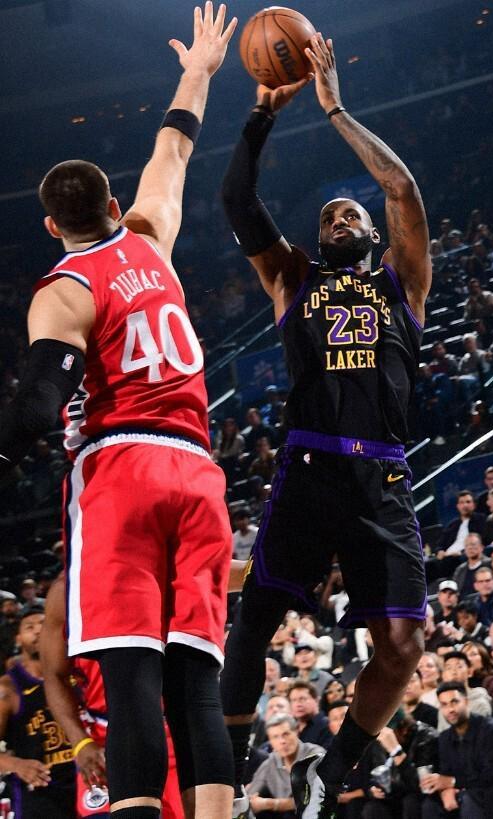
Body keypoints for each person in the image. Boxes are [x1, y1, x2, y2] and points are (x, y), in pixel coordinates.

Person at [0, 6, 239, 818]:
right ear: (111, 200)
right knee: (195, 681)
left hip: (121, 468)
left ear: (51, 226)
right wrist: (198, 71)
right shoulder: (151, 234)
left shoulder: (64, 290)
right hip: (198, 471)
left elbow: (37, 406)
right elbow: (174, 147)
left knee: (132, 673)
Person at [220, 31, 432, 819]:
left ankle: (329, 771)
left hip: (380, 474)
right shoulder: (293, 276)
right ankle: (224, 774)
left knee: (403, 647)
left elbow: (401, 187)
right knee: (255, 616)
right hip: (309, 467)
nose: (339, 216)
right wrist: (259, 116)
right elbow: (237, 202)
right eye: (328, 215)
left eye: (351, 213)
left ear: (373, 236)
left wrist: (334, 108)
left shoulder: (402, 281)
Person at [40, 574, 184, 819]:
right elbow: (53, 675)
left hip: (174, 730)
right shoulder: (66, 589)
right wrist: (80, 742)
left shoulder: (171, 568)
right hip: (104, 738)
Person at [0, 604, 76, 818]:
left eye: (43, 624)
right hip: (40, 792)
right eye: (29, 626)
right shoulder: (8, 688)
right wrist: (16, 764)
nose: (37, 630)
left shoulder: (78, 672)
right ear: (18, 639)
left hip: (87, 782)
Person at [420, 682, 493, 819]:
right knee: (430, 805)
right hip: (462, 793)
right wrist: (446, 791)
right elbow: (446, 773)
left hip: (491, 795)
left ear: (466, 702)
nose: (450, 709)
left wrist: (453, 782)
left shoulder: (491, 730)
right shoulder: (445, 738)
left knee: (470, 799)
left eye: (454, 702)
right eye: (444, 705)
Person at [246, 714, 325, 818]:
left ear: (296, 731)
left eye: (286, 734)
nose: (282, 741)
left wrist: (270, 804)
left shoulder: (315, 755)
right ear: (270, 741)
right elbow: (251, 795)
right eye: (275, 737)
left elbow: (316, 799)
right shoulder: (271, 762)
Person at [437, 653, 491, 730]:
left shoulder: (480, 703)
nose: (453, 672)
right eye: (448, 668)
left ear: (469, 672)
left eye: (459, 667)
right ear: (443, 675)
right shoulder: (443, 707)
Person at [288, 682, 333, 750]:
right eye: (294, 700)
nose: (298, 704)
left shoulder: (328, 725)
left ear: (317, 700)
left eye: (302, 699)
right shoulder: (290, 728)